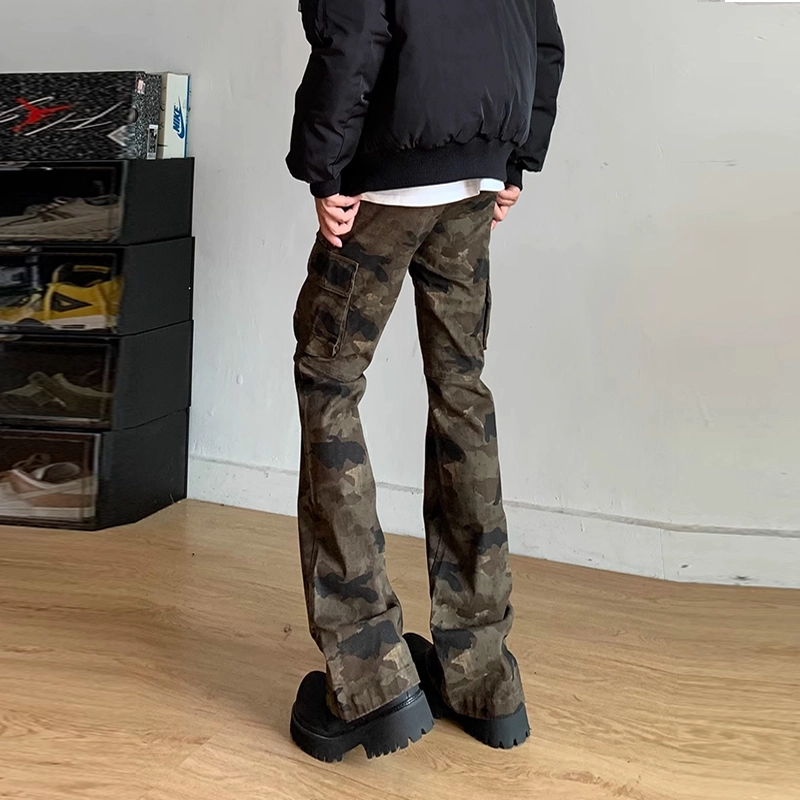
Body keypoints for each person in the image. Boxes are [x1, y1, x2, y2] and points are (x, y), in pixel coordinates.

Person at [286, 0, 564, 763]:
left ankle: (370, 677)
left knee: (329, 381)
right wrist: (515, 157)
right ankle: (483, 677)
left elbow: (352, 30)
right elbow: (543, 39)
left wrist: (325, 167)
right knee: (461, 387)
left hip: (389, 176)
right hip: (477, 172)